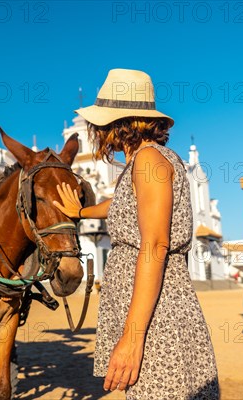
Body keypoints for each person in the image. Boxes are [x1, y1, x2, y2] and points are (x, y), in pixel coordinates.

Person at [53, 69, 219, 399]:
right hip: (152, 311)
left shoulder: (148, 162)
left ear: (121, 123)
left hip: (157, 318)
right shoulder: (145, 162)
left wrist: (132, 338)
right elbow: (123, 203)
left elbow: (155, 245)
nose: (96, 131)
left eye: (101, 123)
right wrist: (82, 212)